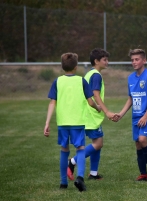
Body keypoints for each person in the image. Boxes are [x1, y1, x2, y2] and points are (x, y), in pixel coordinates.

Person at [44, 52, 101, 192]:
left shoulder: (57, 81)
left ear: (62, 67)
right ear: (76, 67)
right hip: (77, 122)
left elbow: (52, 103)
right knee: (80, 148)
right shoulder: (81, 81)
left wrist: (47, 123)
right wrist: (98, 107)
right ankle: (80, 178)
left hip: (62, 122)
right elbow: (90, 101)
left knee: (64, 150)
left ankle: (63, 182)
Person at [67, 48, 116, 181]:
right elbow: (95, 94)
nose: (107, 62)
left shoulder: (89, 74)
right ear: (96, 61)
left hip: (87, 114)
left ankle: (93, 174)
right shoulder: (96, 75)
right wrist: (107, 111)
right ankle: (72, 162)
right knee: (98, 143)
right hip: (91, 115)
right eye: (104, 59)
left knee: (97, 142)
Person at [115, 49, 147, 182]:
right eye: (132, 60)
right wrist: (121, 114)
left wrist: (146, 116)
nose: (134, 62)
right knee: (138, 144)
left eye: (137, 59)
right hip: (136, 116)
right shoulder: (130, 78)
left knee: (142, 139)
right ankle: (143, 173)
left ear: (144, 60)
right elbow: (131, 98)